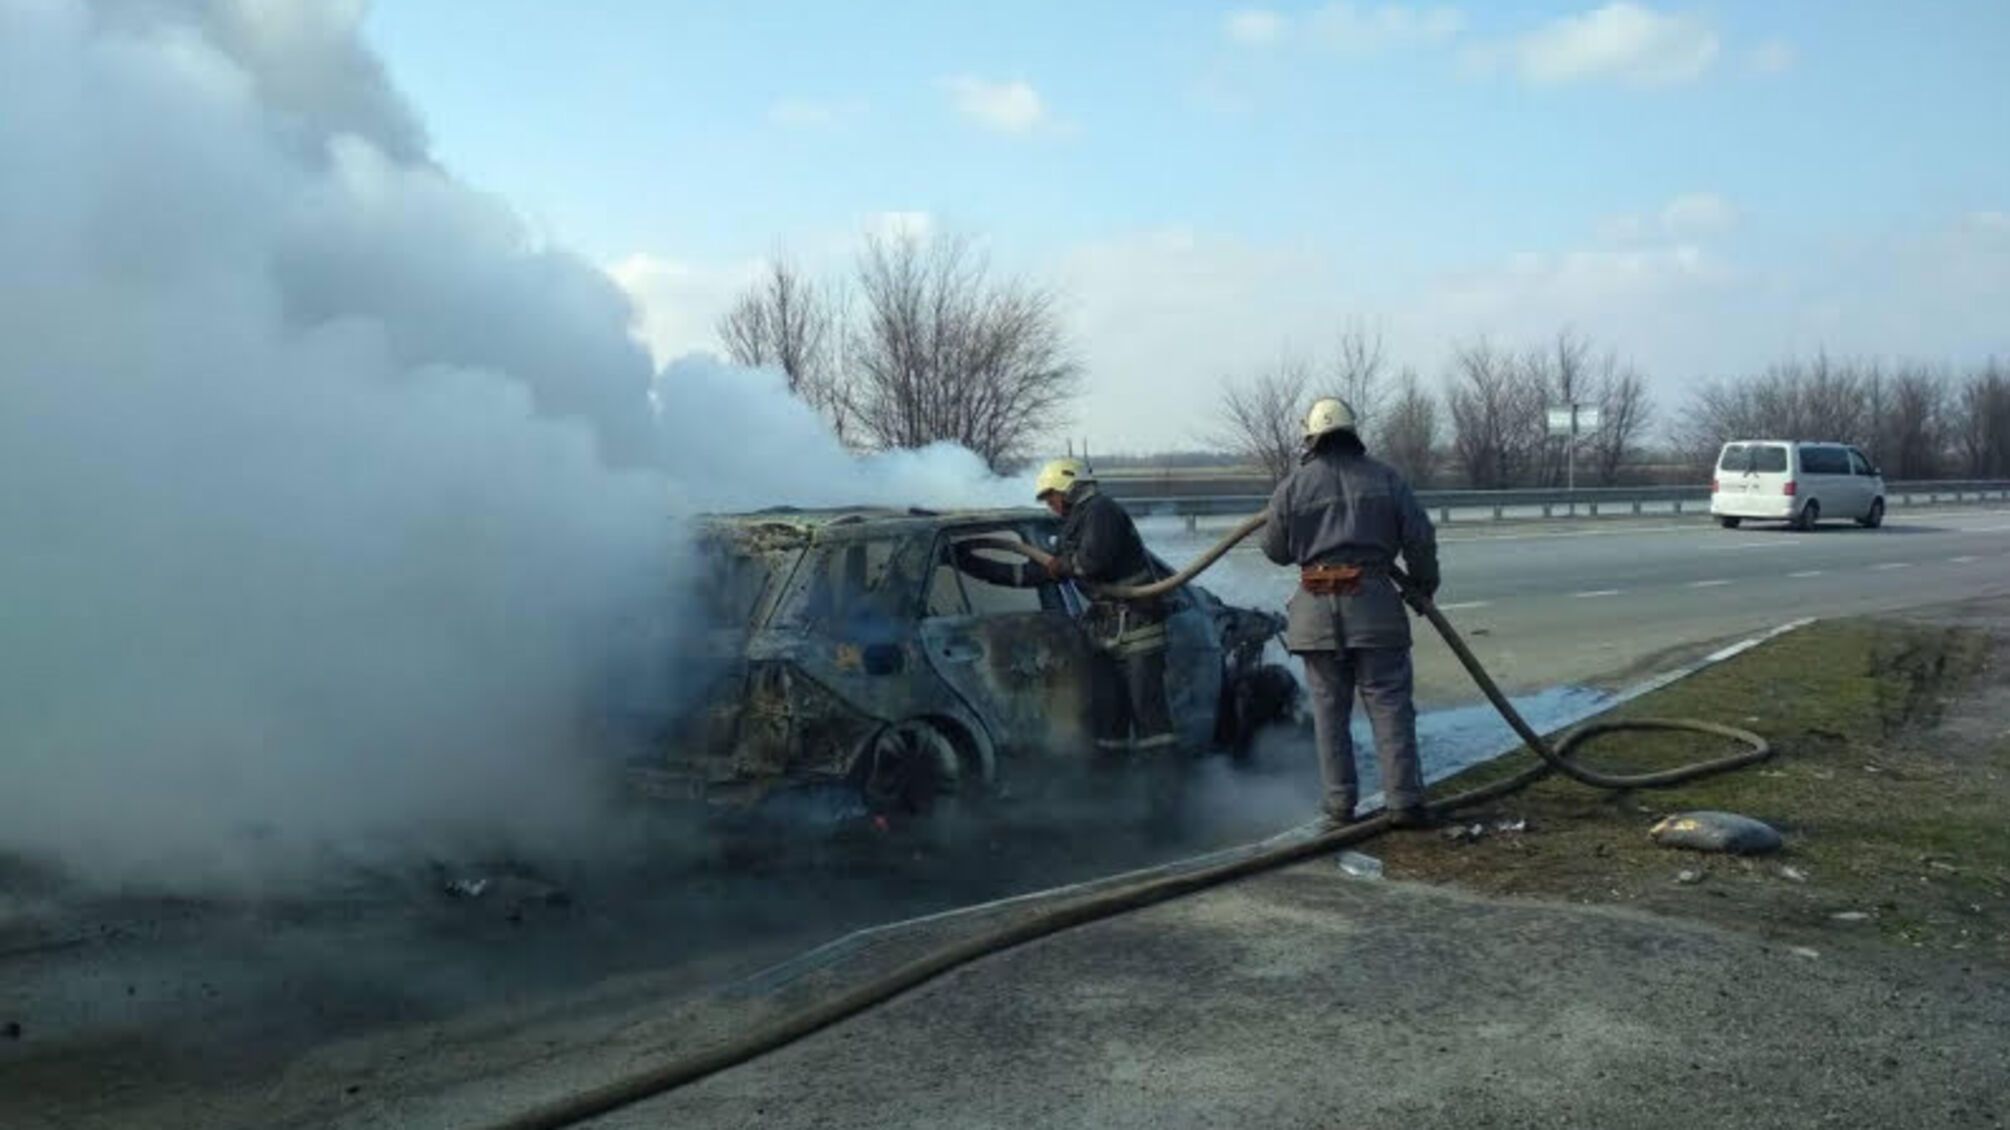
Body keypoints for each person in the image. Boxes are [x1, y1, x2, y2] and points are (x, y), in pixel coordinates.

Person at [1261, 397, 1441, 828]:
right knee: (1390, 707)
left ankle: (1340, 806)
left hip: (1315, 615)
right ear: (1352, 432)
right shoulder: (1387, 479)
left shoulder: (1292, 487)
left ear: (1312, 439)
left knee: (1328, 713)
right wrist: (1422, 588)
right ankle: (1404, 803)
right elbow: (1420, 538)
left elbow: (1275, 550)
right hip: (1375, 608)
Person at [951, 457, 1179, 766]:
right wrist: (972, 565)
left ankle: (1164, 795)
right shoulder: (1076, 523)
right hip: (1106, 631)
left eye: (1051, 496)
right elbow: (1037, 573)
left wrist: (1061, 565)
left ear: (1070, 488)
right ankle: (1116, 792)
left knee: (1148, 716)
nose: (1050, 505)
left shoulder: (1102, 511)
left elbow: (1090, 562)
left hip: (1137, 626)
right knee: (1109, 717)